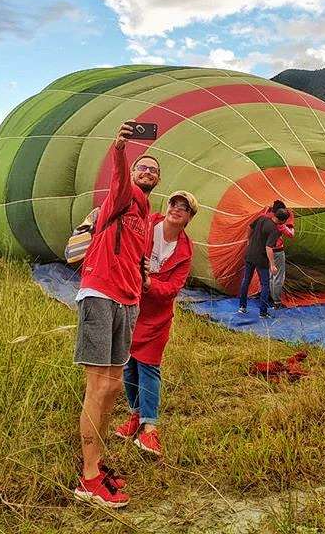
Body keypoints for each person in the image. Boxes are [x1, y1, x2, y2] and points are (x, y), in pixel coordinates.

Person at [73, 123, 160, 509]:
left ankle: (98, 462)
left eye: (154, 170)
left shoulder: (146, 217)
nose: (148, 172)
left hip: (127, 302)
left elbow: (139, 257)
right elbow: (121, 176)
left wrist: (143, 280)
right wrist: (121, 148)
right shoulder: (121, 199)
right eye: (144, 167)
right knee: (98, 387)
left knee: (110, 388)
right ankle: (89, 479)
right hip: (101, 295)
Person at [115, 190, 197, 458]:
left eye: (184, 208)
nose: (177, 209)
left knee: (149, 368)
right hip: (131, 307)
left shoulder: (185, 250)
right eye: (174, 203)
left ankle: (150, 429)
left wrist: (150, 283)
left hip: (157, 317)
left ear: (189, 217)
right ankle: (135, 415)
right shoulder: (147, 224)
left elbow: (174, 287)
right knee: (129, 368)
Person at [238, 206, 290, 318]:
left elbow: (250, 227)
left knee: (246, 280)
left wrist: (248, 240)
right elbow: (268, 247)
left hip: (249, 254)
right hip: (261, 258)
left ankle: (242, 307)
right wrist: (272, 264)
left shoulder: (262, 218)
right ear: (283, 221)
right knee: (265, 284)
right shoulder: (275, 230)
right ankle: (263, 312)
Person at [266, 200, 295, 309]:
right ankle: (277, 302)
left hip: (266, 251)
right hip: (277, 252)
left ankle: (270, 296)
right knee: (278, 277)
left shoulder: (266, 218)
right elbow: (291, 234)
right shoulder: (280, 225)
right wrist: (291, 221)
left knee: (271, 276)